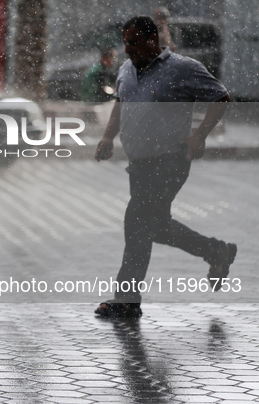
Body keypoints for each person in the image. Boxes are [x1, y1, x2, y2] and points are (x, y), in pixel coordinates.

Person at [93, 16, 235, 318]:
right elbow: (120, 102)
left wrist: (199, 135)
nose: (127, 48)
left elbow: (220, 97)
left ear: (151, 40)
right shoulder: (126, 69)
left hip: (170, 161)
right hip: (139, 165)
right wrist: (108, 136)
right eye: (125, 42)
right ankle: (216, 251)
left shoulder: (183, 68)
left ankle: (127, 299)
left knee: (136, 223)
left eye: (133, 42)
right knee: (154, 227)